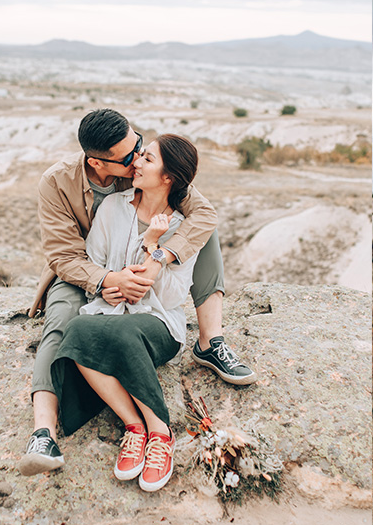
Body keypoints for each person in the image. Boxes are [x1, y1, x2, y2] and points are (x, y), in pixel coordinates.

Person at [19, 109, 254, 477]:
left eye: (141, 147)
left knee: (203, 236)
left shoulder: (152, 174)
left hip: (153, 282)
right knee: (64, 322)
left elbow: (203, 215)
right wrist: (109, 282)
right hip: (83, 271)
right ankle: (43, 432)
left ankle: (211, 342)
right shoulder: (58, 183)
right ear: (97, 161)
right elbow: (65, 256)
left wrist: (158, 255)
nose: (136, 160)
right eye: (130, 157)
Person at [50, 134, 200, 492]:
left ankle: (161, 434)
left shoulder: (182, 226)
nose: (137, 163)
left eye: (147, 160)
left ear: (168, 178)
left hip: (159, 322)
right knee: (76, 332)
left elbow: (177, 294)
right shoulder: (114, 207)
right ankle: (134, 426)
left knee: (124, 332)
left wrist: (152, 247)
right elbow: (94, 262)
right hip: (110, 310)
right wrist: (114, 283)